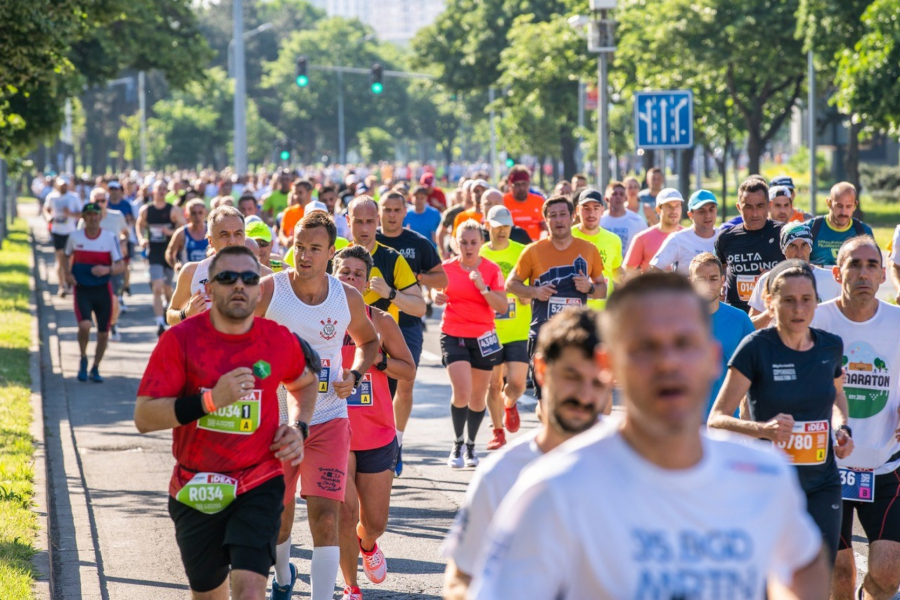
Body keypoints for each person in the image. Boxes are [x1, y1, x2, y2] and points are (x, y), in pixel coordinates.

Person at [469, 272, 830, 599]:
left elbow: (804, 565)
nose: (668, 363)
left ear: (712, 357)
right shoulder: (554, 489)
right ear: (609, 366)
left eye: (684, 343)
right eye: (646, 347)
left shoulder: (762, 474)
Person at [134, 245, 319, 600]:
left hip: (258, 480)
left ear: (259, 289)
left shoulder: (276, 339)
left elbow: (304, 382)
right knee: (210, 595)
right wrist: (211, 400)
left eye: (249, 279)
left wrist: (300, 427)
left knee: (250, 590)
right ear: (209, 287)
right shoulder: (181, 340)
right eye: (227, 278)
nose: (239, 285)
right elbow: (144, 416)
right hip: (196, 485)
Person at [441, 307, 611, 599]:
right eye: (572, 376)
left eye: (597, 382)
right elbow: (459, 580)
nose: (584, 395)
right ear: (542, 369)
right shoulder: (501, 474)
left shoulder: (640, 463)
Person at [256, 212, 379, 600]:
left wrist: (355, 375)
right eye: (298, 247)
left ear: (331, 252)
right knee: (279, 514)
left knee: (327, 516)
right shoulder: (269, 291)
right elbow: (235, 335)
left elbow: (369, 343)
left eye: (314, 249)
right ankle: (281, 578)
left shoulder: (347, 297)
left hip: (329, 416)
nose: (303, 256)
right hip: (276, 419)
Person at [708, 259, 854, 564]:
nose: (799, 309)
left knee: (819, 571)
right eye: (788, 301)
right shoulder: (755, 347)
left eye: (806, 300)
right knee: (772, 574)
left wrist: (842, 428)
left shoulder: (830, 347)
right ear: (771, 304)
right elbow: (717, 418)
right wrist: (763, 429)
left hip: (821, 482)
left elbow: (838, 397)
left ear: (816, 302)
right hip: (768, 481)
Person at [810, 236, 900, 600]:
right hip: (827, 469)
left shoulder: (897, 321)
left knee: (888, 574)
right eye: (854, 265)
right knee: (840, 574)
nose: (863, 273)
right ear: (837, 273)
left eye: (871, 265)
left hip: (885, 463)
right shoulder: (815, 320)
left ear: (883, 275)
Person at [332, 246, 416, 600]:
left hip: (377, 433)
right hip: (333, 430)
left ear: (367, 283)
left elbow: (408, 370)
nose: (350, 279)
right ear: (332, 276)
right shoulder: (319, 322)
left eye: (357, 274)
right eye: (344, 272)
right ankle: (352, 587)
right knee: (344, 512)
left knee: (375, 522)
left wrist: (378, 362)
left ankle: (367, 545)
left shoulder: (381, 322)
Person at [506, 195, 607, 397]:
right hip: (543, 333)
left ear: (572, 218)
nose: (558, 220)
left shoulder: (588, 250)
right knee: (546, 397)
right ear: (546, 220)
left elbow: (602, 290)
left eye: (563, 215)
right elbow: (511, 284)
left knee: (574, 394)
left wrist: (589, 288)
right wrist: (534, 291)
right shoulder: (532, 251)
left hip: (576, 334)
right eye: (553, 216)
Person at [375, 191, 446, 475]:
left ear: (405, 212)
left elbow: (442, 279)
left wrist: (418, 278)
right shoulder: (370, 239)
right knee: (378, 385)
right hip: (375, 321)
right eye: (387, 210)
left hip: (407, 322)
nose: (391, 215)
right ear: (380, 212)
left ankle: (397, 443)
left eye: (396, 210)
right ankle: (379, 443)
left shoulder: (417, 243)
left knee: (404, 385)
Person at [436, 220, 510, 469]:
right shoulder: (445, 268)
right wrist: (436, 296)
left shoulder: (491, 269)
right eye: (463, 242)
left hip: (483, 337)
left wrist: (484, 288)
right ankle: (457, 443)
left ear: (481, 243)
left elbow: (501, 306)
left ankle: (470, 445)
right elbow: (435, 292)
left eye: (473, 242)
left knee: (478, 397)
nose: (468, 247)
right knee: (463, 391)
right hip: (453, 333)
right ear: (455, 243)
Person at [478, 205, 531, 450]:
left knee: (518, 384)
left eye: (506, 227)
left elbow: (532, 284)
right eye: (497, 227)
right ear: (488, 226)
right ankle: (498, 431)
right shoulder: (479, 254)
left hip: (518, 329)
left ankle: (509, 404)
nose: (502, 232)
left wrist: (527, 295)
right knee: (494, 384)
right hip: (489, 329)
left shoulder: (523, 252)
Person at [687, 253, 755, 418]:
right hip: (684, 420)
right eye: (701, 279)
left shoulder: (740, 320)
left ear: (723, 280)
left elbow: (755, 372)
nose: (708, 284)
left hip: (727, 419)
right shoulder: (674, 319)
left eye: (713, 278)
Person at [65, 202, 125, 382]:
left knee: (103, 333)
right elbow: (66, 256)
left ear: (100, 217)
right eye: (88, 215)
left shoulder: (109, 237)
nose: (92, 218)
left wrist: (106, 270)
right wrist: (67, 275)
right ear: (83, 217)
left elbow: (120, 265)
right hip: (82, 289)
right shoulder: (75, 237)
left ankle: (96, 367)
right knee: (84, 326)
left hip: (102, 290)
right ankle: (83, 358)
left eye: (95, 215)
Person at [748, 221, 842, 329]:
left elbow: (845, 320)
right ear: (783, 249)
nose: (799, 253)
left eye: (804, 245)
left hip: (819, 344)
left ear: (810, 247)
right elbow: (751, 326)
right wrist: (772, 310)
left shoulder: (831, 279)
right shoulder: (768, 279)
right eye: (792, 246)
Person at [347, 197, 425, 322]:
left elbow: (420, 308)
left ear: (378, 220)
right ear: (348, 220)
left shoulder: (392, 258)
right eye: (358, 222)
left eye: (370, 221)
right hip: (344, 339)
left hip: (383, 339)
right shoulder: (336, 259)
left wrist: (390, 293)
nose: (364, 228)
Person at [166, 206, 247, 326]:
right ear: (210, 241)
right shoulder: (191, 272)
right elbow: (170, 316)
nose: (232, 241)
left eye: (238, 234)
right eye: (224, 235)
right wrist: (186, 314)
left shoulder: (261, 274)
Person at [715, 177, 785, 313]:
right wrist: (720, 285)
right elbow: (720, 267)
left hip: (771, 314)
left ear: (769, 206)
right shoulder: (726, 238)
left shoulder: (783, 233)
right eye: (748, 207)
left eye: (760, 206)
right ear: (738, 207)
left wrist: (775, 276)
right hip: (736, 315)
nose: (755, 214)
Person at [571, 187, 623, 310]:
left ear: (602, 211)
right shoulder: (567, 237)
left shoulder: (613, 240)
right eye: (586, 208)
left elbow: (616, 270)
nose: (591, 214)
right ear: (578, 210)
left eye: (596, 208)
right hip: (573, 311)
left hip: (603, 311)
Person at [650, 189, 720, 275]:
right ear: (690, 215)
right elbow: (655, 268)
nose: (708, 215)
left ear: (716, 210)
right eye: (701, 211)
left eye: (711, 209)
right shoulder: (678, 239)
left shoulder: (725, 237)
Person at [807, 182, 874, 267]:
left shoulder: (864, 232)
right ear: (829, 203)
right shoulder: (811, 228)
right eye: (839, 206)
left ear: (855, 206)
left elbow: (872, 267)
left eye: (848, 206)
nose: (843, 212)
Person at [44, 176, 83, 297]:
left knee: (70, 259)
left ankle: (68, 281)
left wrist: (70, 213)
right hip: (57, 231)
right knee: (60, 259)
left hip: (70, 232)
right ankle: (61, 286)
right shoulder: (52, 196)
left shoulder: (74, 197)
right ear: (57, 185)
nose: (63, 187)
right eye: (61, 185)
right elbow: (46, 209)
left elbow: (81, 213)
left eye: (65, 185)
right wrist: (48, 217)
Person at [599, 180, 646, 257]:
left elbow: (646, 247)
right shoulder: (599, 221)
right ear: (606, 198)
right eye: (614, 194)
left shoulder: (638, 221)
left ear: (626, 198)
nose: (618, 197)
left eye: (621, 194)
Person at [503, 166, 546, 240]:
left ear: (529, 184)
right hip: (513, 247)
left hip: (534, 247)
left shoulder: (539, 201)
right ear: (510, 185)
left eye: (524, 184)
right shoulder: (503, 202)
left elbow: (545, 225)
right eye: (517, 185)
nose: (521, 188)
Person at [165, 199, 209, 272]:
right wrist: (175, 264)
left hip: (208, 275)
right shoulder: (181, 233)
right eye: (193, 213)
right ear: (187, 214)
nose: (197, 216)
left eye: (200, 213)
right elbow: (169, 253)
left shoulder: (211, 231)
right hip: (189, 276)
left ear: (205, 213)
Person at [277, 179, 313, 249]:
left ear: (309, 193)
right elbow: (282, 232)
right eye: (295, 193)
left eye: (300, 193)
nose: (296, 197)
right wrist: (286, 241)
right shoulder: (289, 211)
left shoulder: (317, 211)